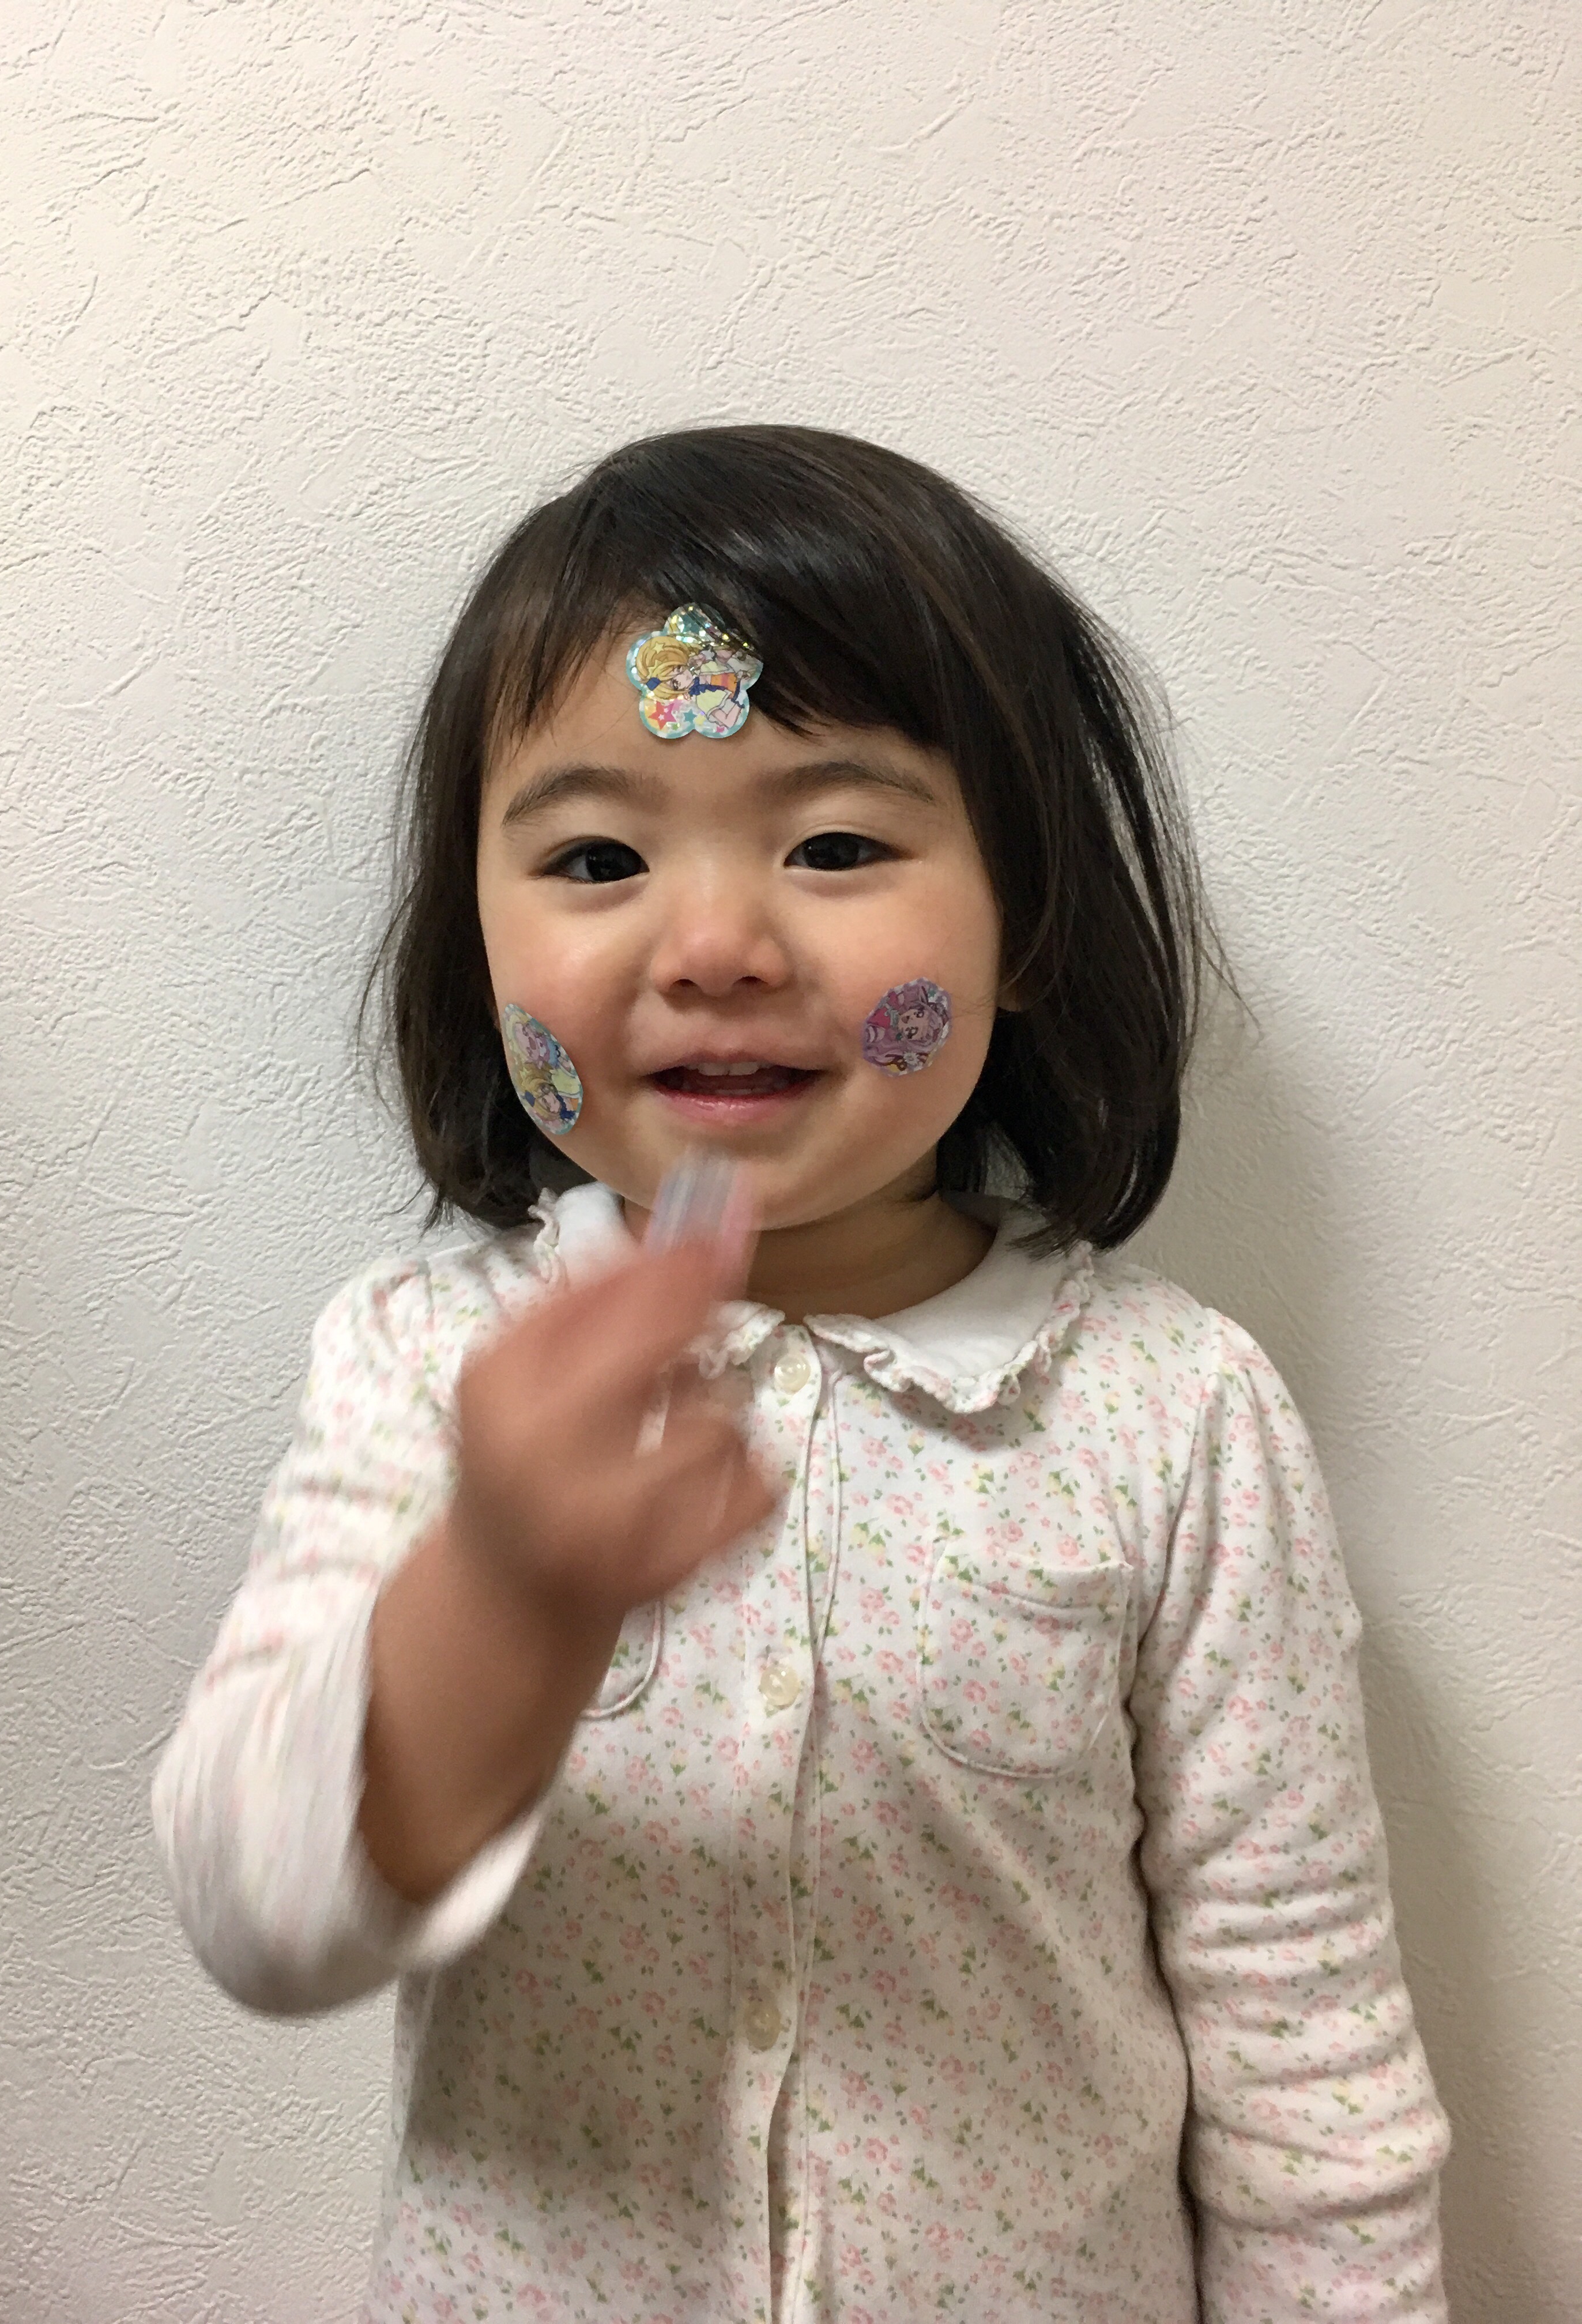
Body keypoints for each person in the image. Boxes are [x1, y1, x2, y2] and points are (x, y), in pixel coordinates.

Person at [152, 425, 1449, 2321]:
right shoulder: (428, 1367)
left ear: (1027, 923)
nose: (715, 946)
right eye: (596, 858)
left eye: (837, 846)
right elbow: (257, 1918)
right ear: (476, 936)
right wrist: (501, 1593)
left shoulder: (1168, 1411)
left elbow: (1309, 2058)